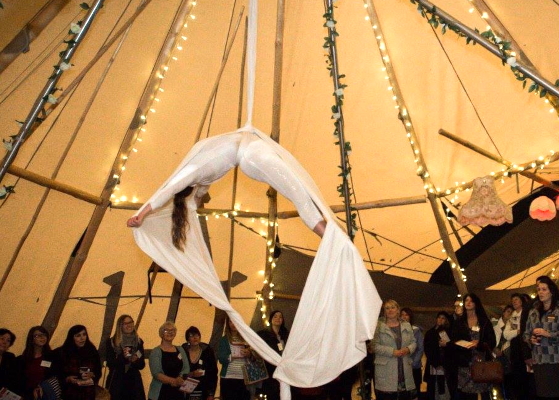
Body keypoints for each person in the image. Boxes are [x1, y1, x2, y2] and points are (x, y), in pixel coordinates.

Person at [126, 131, 326, 239]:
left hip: (256, 145)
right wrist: (141, 214)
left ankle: (327, 229)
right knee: (296, 191)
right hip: (250, 156)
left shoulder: (202, 181)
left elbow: (195, 199)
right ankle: (327, 237)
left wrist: (190, 205)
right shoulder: (192, 171)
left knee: (300, 187)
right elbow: (168, 190)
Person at [450, 293, 496, 400]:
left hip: (482, 362)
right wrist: (464, 344)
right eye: (466, 300)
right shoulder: (459, 322)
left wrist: (479, 343)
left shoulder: (484, 322)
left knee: (484, 393)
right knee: (467, 394)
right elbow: (453, 341)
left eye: (471, 301)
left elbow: (492, 341)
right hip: (465, 362)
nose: (468, 303)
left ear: (476, 303)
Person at [373, 299, 417, 400]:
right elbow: (374, 346)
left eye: (393, 307)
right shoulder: (378, 326)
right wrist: (392, 352)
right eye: (387, 308)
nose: (390, 310)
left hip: (404, 371)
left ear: (398, 310)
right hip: (386, 371)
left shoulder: (406, 325)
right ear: (384, 311)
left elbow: (414, 342)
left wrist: (408, 349)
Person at [523, 276, 559, 399]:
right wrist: (530, 340)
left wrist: (548, 334)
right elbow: (526, 333)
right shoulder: (533, 312)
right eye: (538, 289)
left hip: (555, 359)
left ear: (552, 291)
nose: (541, 292)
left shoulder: (557, 310)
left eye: (544, 289)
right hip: (539, 360)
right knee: (543, 394)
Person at [54, 324, 102, 400]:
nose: (82, 338)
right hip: (69, 391)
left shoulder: (92, 351)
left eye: (84, 334)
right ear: (72, 338)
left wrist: (92, 375)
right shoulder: (63, 352)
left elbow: (98, 371)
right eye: (78, 335)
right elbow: (57, 371)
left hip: (88, 391)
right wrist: (67, 378)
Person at [105, 315, 146, 400]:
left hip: (134, 382)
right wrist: (123, 357)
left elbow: (142, 365)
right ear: (120, 326)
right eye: (125, 323)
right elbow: (110, 364)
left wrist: (135, 361)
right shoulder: (112, 342)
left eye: (131, 322)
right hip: (117, 382)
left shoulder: (139, 342)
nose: (129, 325)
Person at [148, 321, 189, 400]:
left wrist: (180, 378)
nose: (170, 333)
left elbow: (186, 368)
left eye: (172, 330)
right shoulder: (156, 351)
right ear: (161, 334)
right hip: (161, 393)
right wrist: (173, 381)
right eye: (166, 330)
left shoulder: (180, 349)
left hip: (178, 392)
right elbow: (156, 373)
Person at [15, 326, 55, 400]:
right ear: (32, 339)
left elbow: (54, 377)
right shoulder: (21, 359)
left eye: (44, 335)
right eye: (38, 335)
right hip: (26, 395)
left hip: (45, 394)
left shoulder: (52, 357)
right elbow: (18, 381)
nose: (42, 337)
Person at [257, 311, 289, 400]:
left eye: (280, 317)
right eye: (275, 317)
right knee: (272, 394)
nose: (278, 319)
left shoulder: (285, 334)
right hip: (270, 369)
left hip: (283, 369)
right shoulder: (264, 334)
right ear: (271, 319)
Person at [218, 318, 251, 400]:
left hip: (244, 378)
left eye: (235, 321)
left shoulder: (246, 339)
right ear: (228, 324)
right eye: (230, 321)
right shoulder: (224, 340)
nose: (233, 324)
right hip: (228, 377)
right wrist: (231, 356)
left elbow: (254, 356)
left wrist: (249, 354)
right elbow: (221, 359)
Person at [181, 326, 218, 400]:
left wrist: (211, 394)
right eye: (191, 336)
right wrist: (192, 374)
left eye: (197, 335)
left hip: (204, 389)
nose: (195, 337)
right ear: (187, 340)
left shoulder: (207, 352)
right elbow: (179, 372)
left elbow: (213, 373)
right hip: (186, 390)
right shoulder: (183, 352)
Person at [423, 311, 452, 400]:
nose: (440, 320)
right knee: (431, 387)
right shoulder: (430, 332)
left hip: (443, 365)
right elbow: (426, 347)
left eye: (443, 318)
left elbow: (449, 348)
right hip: (432, 363)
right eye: (439, 317)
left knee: (442, 387)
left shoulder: (447, 332)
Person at [400, 307, 424, 395]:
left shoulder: (416, 331)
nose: (404, 317)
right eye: (402, 314)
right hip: (401, 367)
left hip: (414, 366)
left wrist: (413, 363)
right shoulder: (396, 330)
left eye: (406, 315)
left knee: (414, 391)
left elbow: (420, 348)